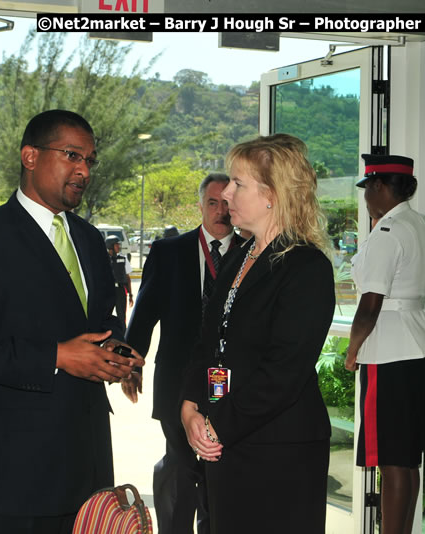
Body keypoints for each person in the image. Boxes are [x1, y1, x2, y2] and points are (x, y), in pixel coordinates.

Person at [0, 109, 144, 534]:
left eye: (90, 160)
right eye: (72, 155)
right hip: (15, 475)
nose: (83, 170)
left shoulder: (87, 237)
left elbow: (101, 317)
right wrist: (58, 357)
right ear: (30, 156)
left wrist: (113, 350)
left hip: (88, 470)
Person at [179, 134, 335, 534]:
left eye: (238, 183)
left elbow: (285, 370)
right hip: (227, 439)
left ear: (272, 194)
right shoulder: (239, 255)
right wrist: (191, 405)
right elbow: (208, 341)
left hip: (278, 450)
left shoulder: (305, 266)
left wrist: (217, 425)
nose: (226, 193)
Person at [123, 173, 243, 534]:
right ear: (200, 206)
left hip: (226, 381)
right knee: (180, 461)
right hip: (176, 376)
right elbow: (144, 313)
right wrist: (132, 363)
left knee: (215, 466)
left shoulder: (250, 251)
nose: (221, 211)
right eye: (212, 203)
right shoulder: (169, 251)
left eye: (226, 203)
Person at [344, 154, 425, 534]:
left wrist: (352, 351)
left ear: (380, 187)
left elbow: (369, 306)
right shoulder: (420, 224)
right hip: (420, 346)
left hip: (390, 352)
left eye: (368, 188)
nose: (366, 197)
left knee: (391, 461)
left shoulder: (386, 233)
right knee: (407, 459)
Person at [106, 235, 133, 328]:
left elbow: (128, 278)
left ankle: (123, 337)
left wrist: (130, 294)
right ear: (110, 246)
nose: (119, 246)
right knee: (105, 316)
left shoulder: (123, 258)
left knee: (122, 317)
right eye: (116, 245)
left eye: (119, 244)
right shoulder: (104, 259)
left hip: (121, 290)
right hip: (108, 291)